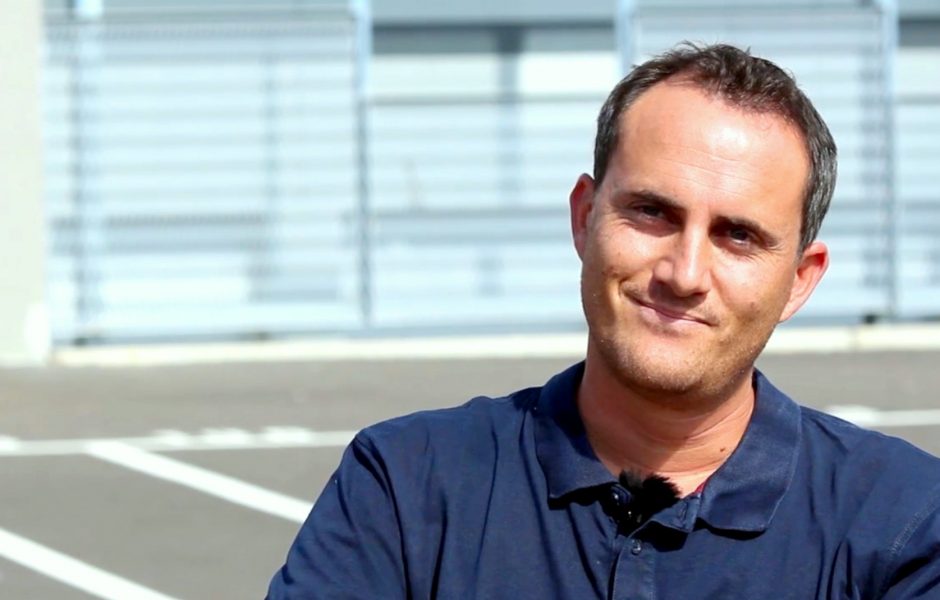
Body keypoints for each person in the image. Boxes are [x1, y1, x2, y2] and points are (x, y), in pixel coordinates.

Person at [267, 43, 940, 599]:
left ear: (799, 280)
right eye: (652, 212)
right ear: (585, 217)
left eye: (737, 236)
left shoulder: (906, 524)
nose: (684, 273)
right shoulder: (406, 485)